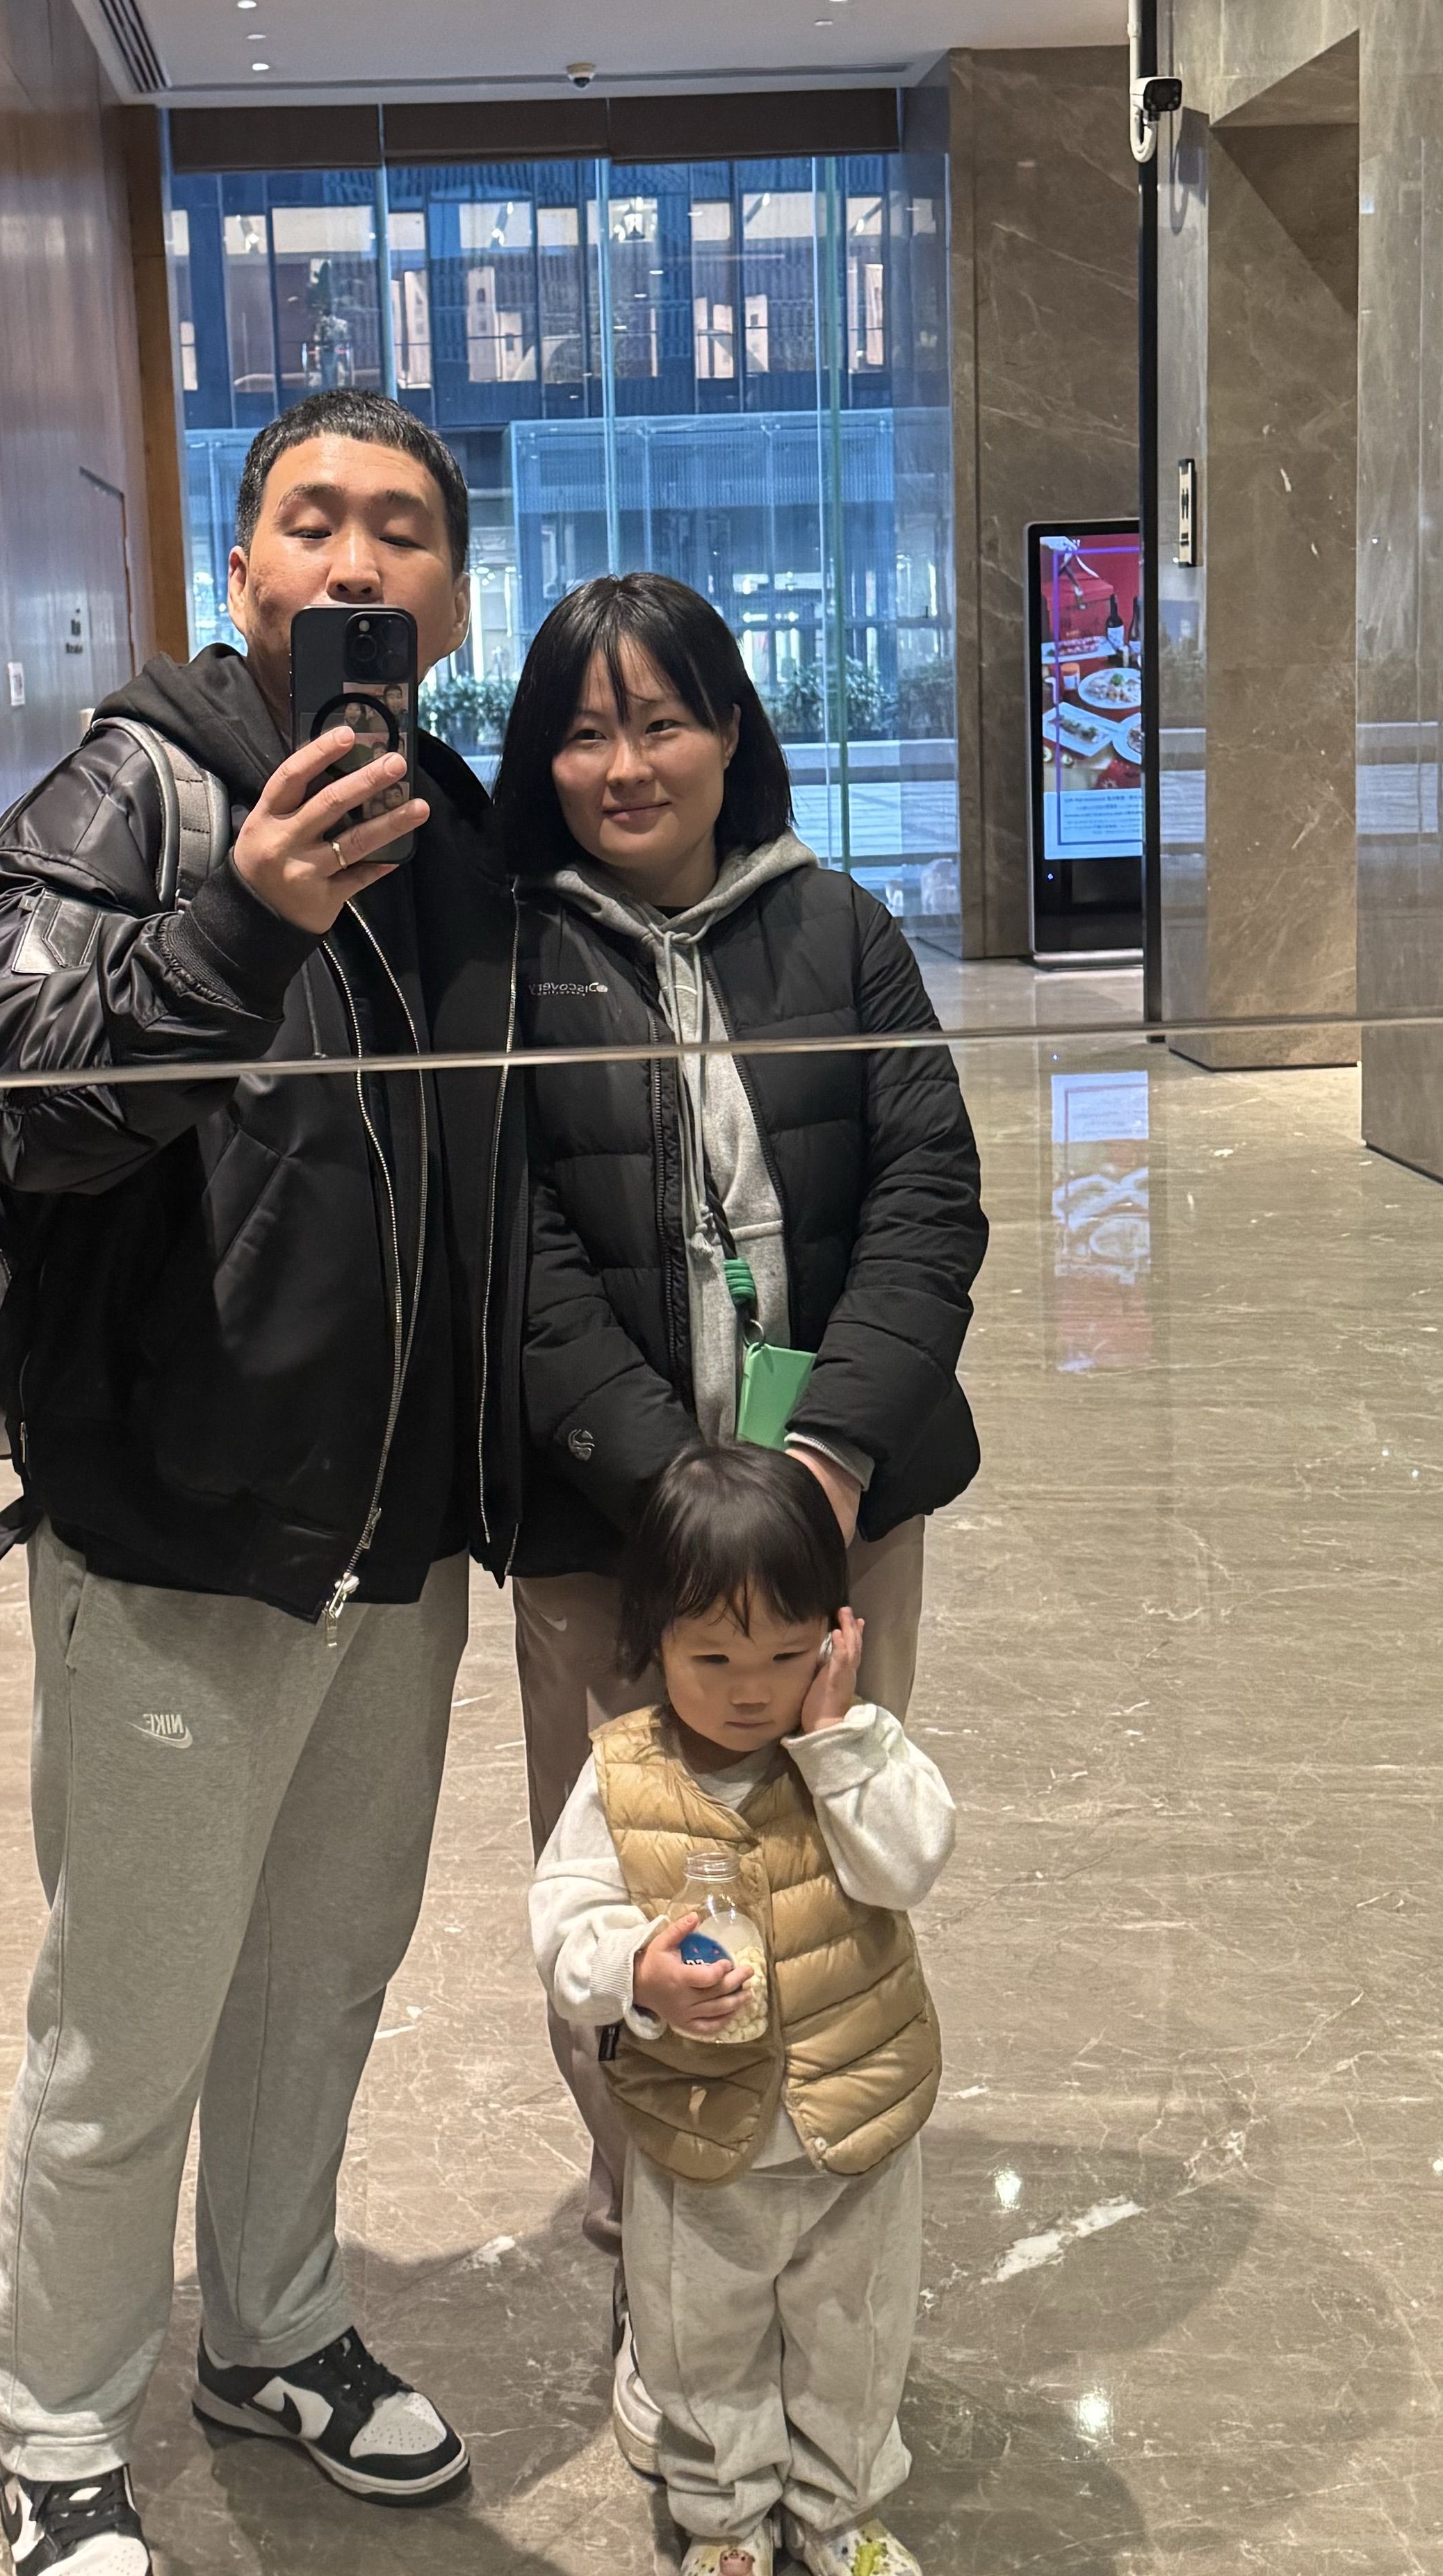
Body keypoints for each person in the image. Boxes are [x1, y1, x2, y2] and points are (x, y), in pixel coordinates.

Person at [0, 389, 528, 2576]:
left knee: (322, 1971)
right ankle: (57, 2421)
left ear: (448, 590)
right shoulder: (138, 786)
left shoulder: (452, 822)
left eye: (401, 528)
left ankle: (270, 2326)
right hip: (184, 1519)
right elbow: (0, 1084)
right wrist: (240, 920)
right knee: (135, 2008)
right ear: (244, 564)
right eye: (312, 519)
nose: (356, 561)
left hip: (393, 1526)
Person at [494, 572, 985, 2463]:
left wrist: (827, 1462)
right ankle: (657, 2237)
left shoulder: (839, 929)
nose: (625, 763)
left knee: (833, 1851)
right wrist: (670, 1499)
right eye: (583, 730)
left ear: (728, 731)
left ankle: (829, 2217)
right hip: (604, 1530)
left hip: (835, 1521)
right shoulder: (509, 960)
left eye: (661, 719)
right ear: (541, 758)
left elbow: (930, 1196)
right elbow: (515, 1258)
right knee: (626, 1876)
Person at [529, 1442, 955, 2576]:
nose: (749, 1690)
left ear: (834, 1635)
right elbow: (562, 1921)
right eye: (712, 1658)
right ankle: (722, 2515)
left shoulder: (858, 1752)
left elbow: (908, 1865)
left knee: (853, 2330)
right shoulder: (622, 1777)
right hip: (698, 2131)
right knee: (697, 2334)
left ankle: (840, 2507)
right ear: (652, 1642)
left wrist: (838, 1742)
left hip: (853, 2123)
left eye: (782, 1654)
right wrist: (636, 1971)